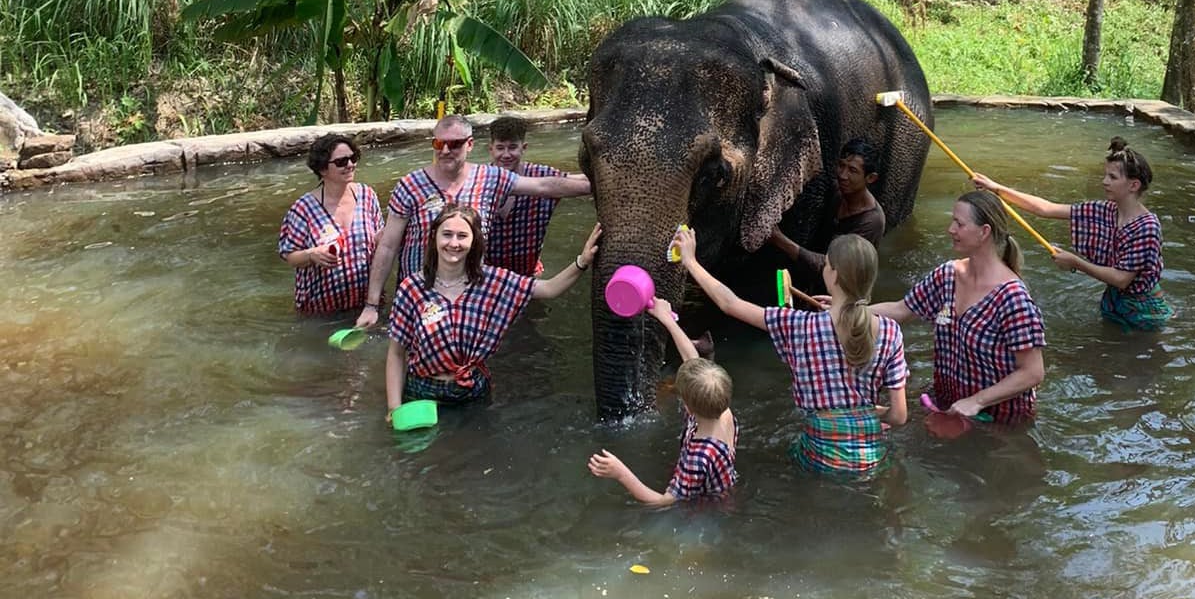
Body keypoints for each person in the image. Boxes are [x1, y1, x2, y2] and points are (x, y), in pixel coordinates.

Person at [675, 228, 907, 475]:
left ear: (835, 275)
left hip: (821, 459)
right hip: (873, 459)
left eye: (827, 265)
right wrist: (859, 412)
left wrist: (690, 261)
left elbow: (730, 303)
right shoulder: (891, 331)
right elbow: (899, 416)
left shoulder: (801, 325)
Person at [356, 115, 590, 328]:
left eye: (455, 144)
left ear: (470, 145)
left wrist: (603, 183)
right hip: (420, 295)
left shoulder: (489, 178)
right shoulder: (410, 185)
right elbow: (387, 246)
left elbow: (545, 185)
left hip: (470, 297)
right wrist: (371, 305)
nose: (446, 150)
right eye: (439, 144)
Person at [383, 204, 602, 414]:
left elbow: (549, 289)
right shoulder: (411, 289)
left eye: (462, 236)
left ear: (474, 241)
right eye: (447, 234)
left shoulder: (492, 282)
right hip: (423, 393)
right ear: (434, 238)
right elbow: (396, 353)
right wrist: (394, 408)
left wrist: (582, 261)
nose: (454, 243)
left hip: (472, 391)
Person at [871, 191, 1046, 424]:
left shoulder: (1013, 299)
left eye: (959, 224)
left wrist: (978, 401)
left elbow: (1033, 372)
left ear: (984, 232)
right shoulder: (948, 275)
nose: (950, 229)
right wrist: (849, 309)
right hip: (948, 404)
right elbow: (901, 310)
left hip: (996, 419)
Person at [972, 136, 1173, 331]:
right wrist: (996, 188)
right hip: (1114, 301)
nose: (1104, 182)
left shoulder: (1147, 227)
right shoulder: (1107, 210)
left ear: (1133, 185)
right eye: (1105, 175)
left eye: (1112, 177)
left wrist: (1076, 263)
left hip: (1143, 313)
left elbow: (1122, 279)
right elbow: (1046, 208)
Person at [588, 298, 738, 504]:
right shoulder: (724, 413)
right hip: (719, 485)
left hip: (702, 507)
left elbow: (663, 501)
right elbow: (692, 359)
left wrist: (621, 473)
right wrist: (667, 319)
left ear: (687, 406)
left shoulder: (697, 458)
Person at [278, 134, 384, 314]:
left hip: (366, 304)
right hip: (321, 309)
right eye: (342, 162)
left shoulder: (367, 195)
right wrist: (311, 255)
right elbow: (289, 255)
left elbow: (378, 239)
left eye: (353, 158)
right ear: (322, 169)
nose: (350, 165)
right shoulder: (303, 209)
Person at [768, 138, 887, 288]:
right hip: (816, 280)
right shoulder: (838, 192)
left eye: (852, 170)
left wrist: (779, 240)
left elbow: (835, 267)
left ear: (871, 178)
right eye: (841, 166)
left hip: (841, 290)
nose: (843, 175)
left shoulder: (872, 221)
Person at [483, 116, 586, 276]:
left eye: (512, 147)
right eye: (500, 148)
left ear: (523, 148)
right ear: (491, 149)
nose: (506, 154)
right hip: (488, 275)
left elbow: (575, 180)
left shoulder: (540, 175)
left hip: (528, 274)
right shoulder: (479, 180)